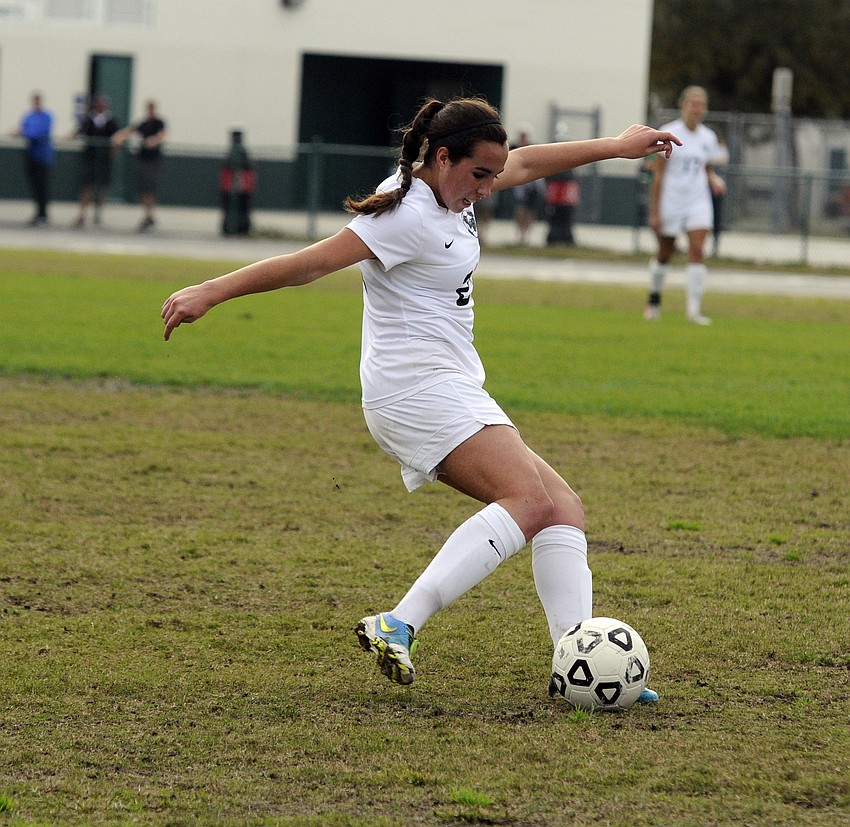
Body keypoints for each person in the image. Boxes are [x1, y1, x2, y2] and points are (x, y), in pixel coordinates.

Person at [161, 97, 679, 699]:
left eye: (492, 175)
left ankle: (577, 660)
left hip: (447, 384)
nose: (488, 188)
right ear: (441, 156)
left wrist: (615, 147)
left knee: (562, 507)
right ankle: (399, 622)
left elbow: (529, 163)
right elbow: (308, 266)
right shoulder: (404, 213)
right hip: (414, 390)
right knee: (528, 500)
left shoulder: (449, 189)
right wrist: (210, 290)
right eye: (480, 175)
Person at [644, 86, 726, 325]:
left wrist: (713, 180)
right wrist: (655, 212)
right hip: (672, 200)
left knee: (698, 250)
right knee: (664, 252)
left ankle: (693, 311)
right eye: (693, 103)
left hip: (698, 200)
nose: (697, 109)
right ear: (682, 105)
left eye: (701, 104)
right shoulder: (668, 132)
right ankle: (654, 301)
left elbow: (707, 168)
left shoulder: (708, 137)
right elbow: (658, 176)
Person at [113, 99, 168, 231]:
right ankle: (148, 215)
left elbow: (162, 135)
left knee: (150, 188)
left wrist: (154, 141)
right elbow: (129, 131)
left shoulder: (159, 123)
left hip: (153, 160)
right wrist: (119, 137)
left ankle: (149, 215)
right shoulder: (143, 124)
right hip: (142, 159)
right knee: (142, 189)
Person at [70, 95, 121, 227]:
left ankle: (98, 212)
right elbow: (79, 131)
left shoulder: (111, 121)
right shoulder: (89, 120)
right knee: (87, 185)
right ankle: (82, 214)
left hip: (104, 160)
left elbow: (117, 137)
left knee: (102, 186)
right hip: (90, 158)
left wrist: (113, 150)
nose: (100, 107)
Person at [14, 93, 55, 226]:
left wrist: (24, 133)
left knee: (42, 185)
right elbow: (23, 128)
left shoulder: (46, 116)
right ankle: (38, 213)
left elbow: (39, 133)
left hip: (42, 156)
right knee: (34, 185)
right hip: (31, 154)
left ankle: (43, 214)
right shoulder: (29, 116)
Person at [510, 127, 547, 245]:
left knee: (530, 211)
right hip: (520, 186)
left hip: (532, 185)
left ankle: (526, 235)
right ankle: (520, 235)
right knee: (520, 210)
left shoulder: (533, 151)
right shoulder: (513, 150)